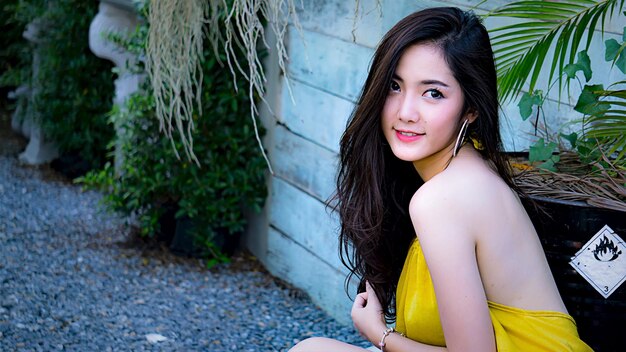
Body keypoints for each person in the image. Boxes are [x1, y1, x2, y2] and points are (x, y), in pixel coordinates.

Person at [289, 6, 592, 352]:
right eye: (394, 86)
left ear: (471, 109)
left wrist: (380, 335)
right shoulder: (468, 168)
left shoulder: (443, 199)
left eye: (433, 93)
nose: (405, 112)